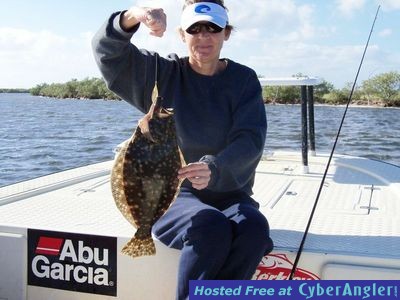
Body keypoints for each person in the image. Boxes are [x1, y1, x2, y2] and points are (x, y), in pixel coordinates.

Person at [92, 1, 273, 299]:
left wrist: (215, 169)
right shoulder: (162, 73)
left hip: (230, 191)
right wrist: (133, 16)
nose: (204, 37)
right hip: (170, 192)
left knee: (254, 229)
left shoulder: (243, 80)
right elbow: (109, 55)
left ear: (226, 33)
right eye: (195, 29)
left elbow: (250, 139)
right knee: (209, 226)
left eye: (213, 29)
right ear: (182, 34)